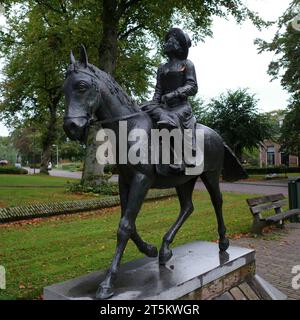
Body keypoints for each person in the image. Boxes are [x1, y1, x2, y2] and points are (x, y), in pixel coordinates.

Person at [142, 27, 198, 174]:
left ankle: (179, 159)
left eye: (172, 40)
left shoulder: (187, 64)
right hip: (163, 106)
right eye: (168, 39)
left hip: (180, 107)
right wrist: (152, 103)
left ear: (179, 46)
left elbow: (192, 86)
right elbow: (158, 90)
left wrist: (174, 94)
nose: (168, 42)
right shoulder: (162, 68)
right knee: (142, 110)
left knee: (170, 118)